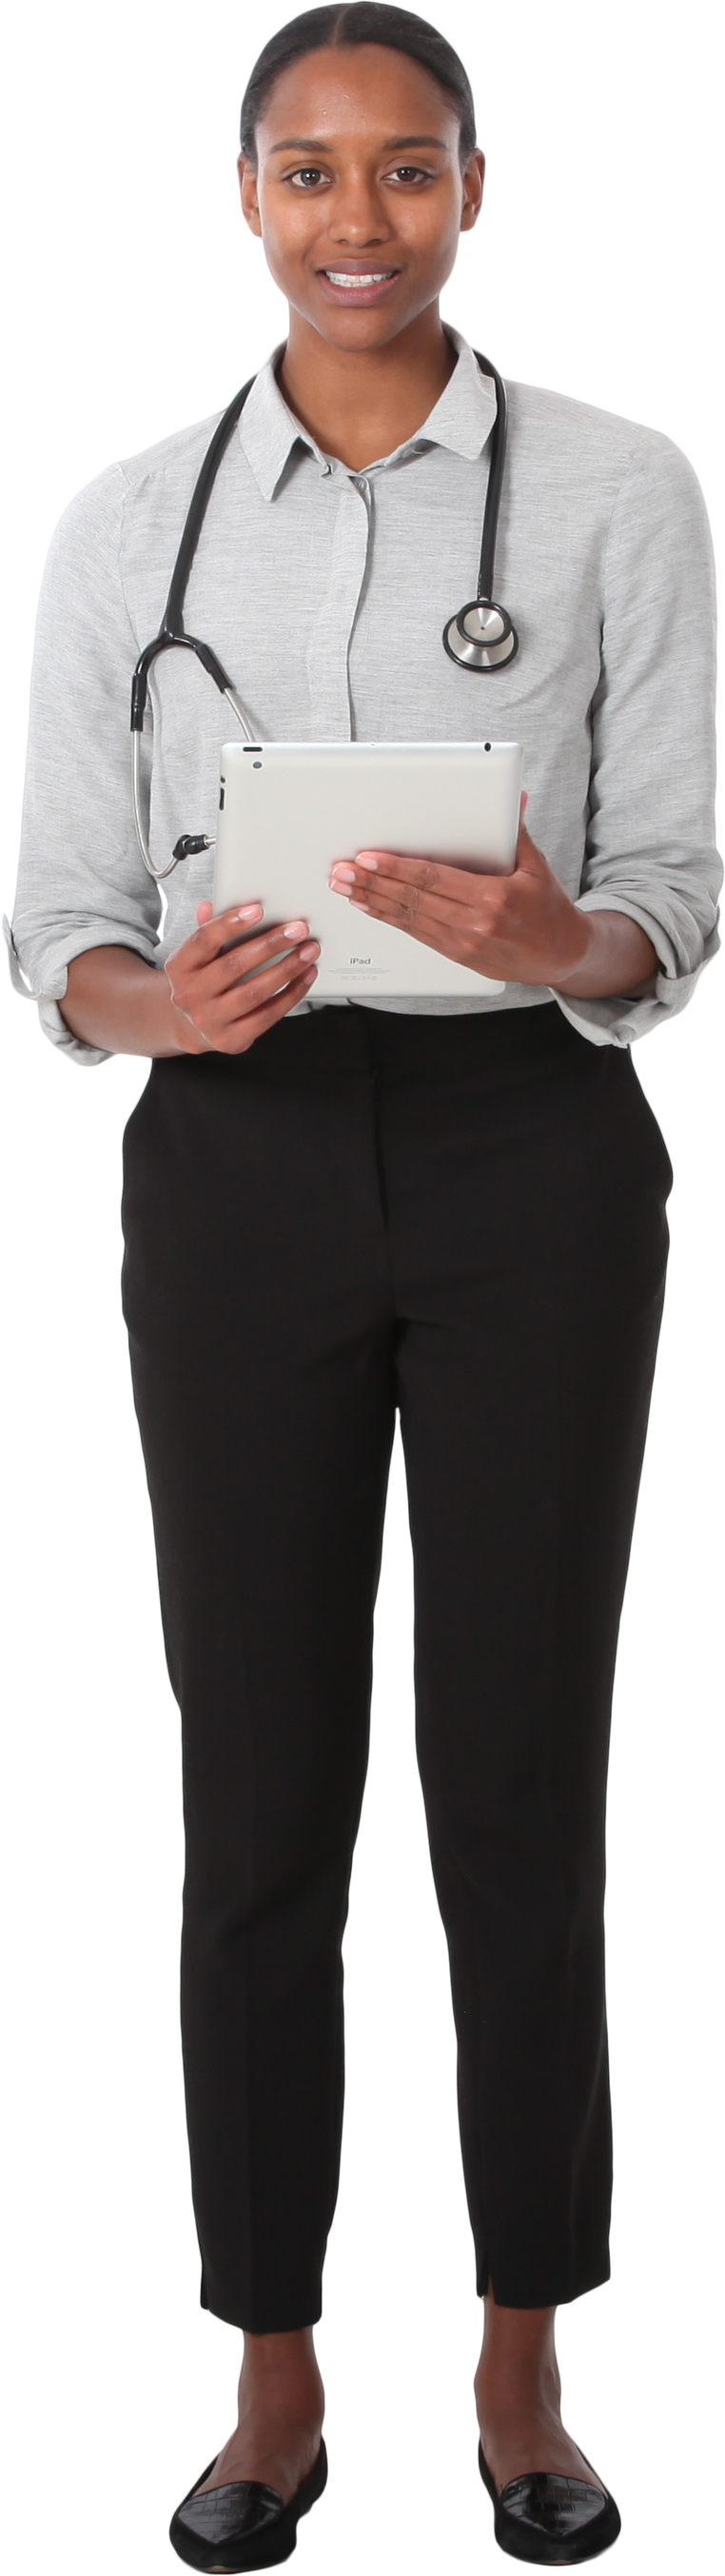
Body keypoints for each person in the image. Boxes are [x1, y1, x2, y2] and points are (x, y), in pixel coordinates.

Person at [3, 7, 720, 2568]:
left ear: (475, 191)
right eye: (309, 174)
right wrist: (148, 1005)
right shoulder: (130, 517)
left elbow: (676, 893)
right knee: (261, 1788)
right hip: (241, 1167)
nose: (358, 219)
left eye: (406, 170)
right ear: (245, 200)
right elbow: (58, 922)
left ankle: (522, 2370)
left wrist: (561, 939)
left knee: (520, 1779)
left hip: (539, 1156)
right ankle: (273, 2381)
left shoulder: (620, 487)